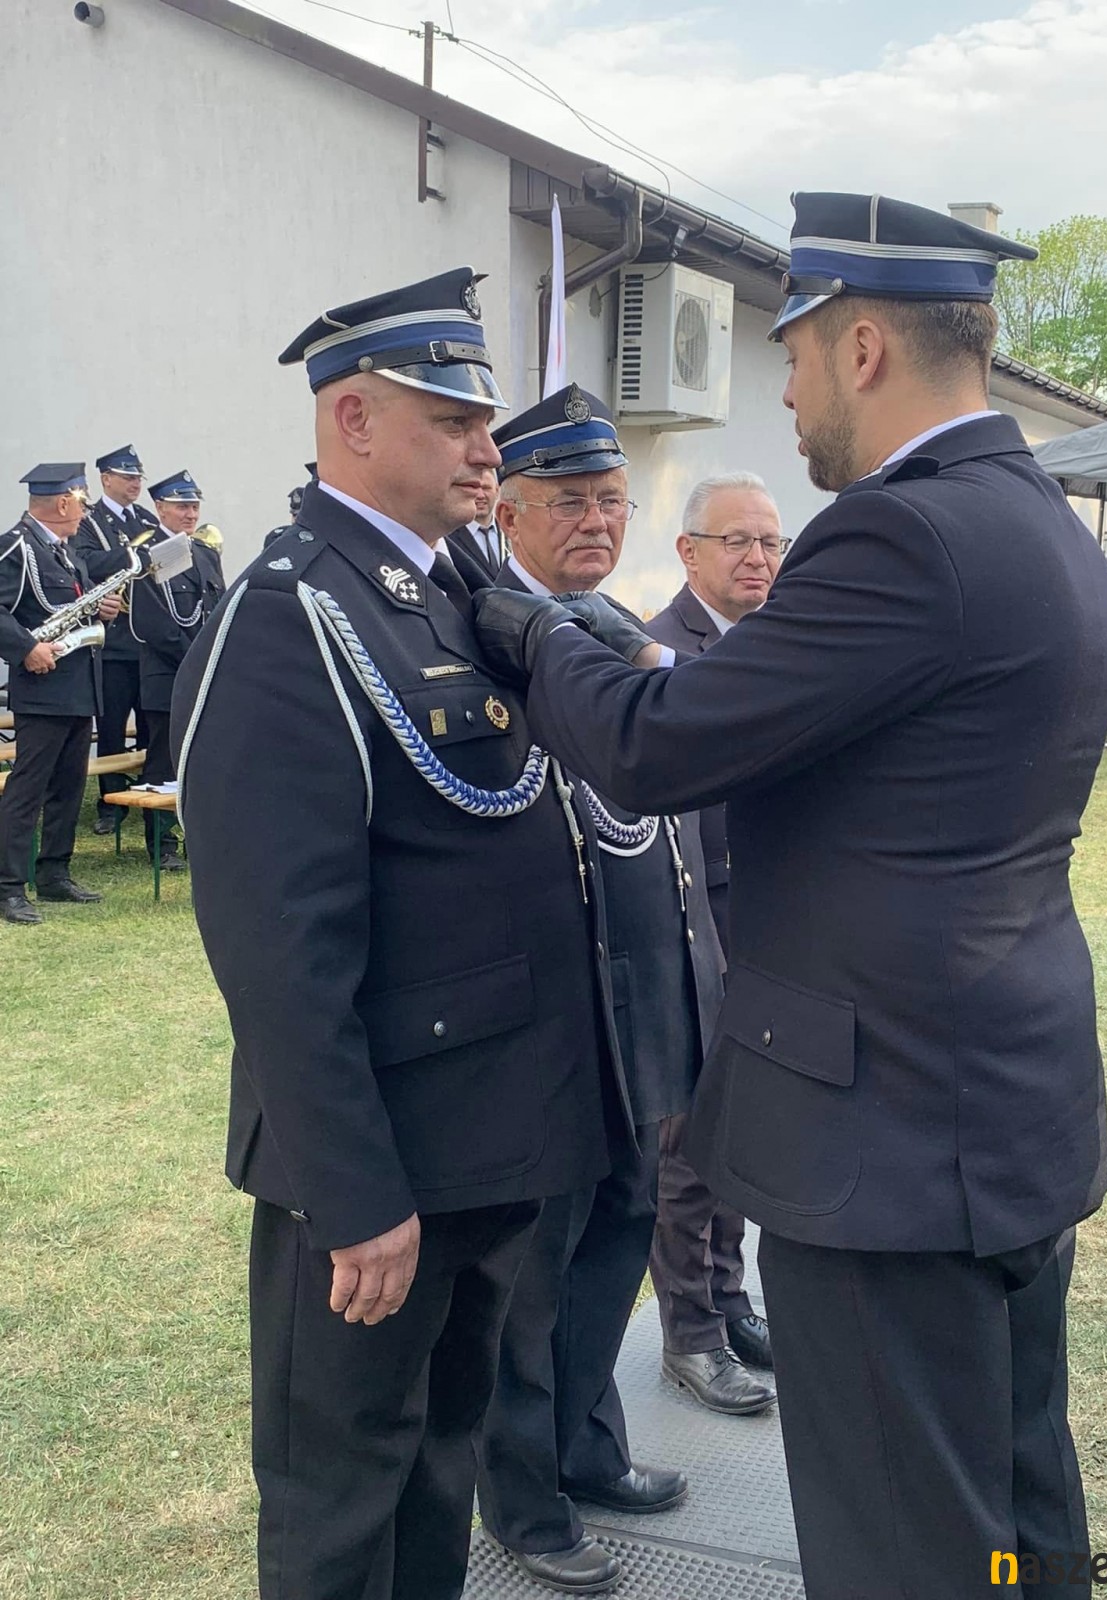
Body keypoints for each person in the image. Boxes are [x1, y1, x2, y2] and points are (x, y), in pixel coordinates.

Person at [470, 190, 1107, 1600]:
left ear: (864, 346)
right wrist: (648, 661)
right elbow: (816, 720)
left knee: (905, 1543)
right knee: (1014, 1512)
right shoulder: (1038, 521)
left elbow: (654, 751)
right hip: (1001, 1109)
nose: (785, 389)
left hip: (889, 1144)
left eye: (796, 352)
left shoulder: (899, 536)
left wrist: (534, 634)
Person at [170, 268, 631, 1600]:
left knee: (439, 1464)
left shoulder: (453, 588)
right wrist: (356, 1194)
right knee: (342, 1501)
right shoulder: (289, 612)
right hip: (382, 1167)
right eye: (453, 420)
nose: (489, 450)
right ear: (355, 420)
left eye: (484, 421)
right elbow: (278, 952)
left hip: (486, 1140)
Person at [475, 386, 729, 1596]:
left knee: (618, 1233)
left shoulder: (615, 627)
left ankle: (586, 1445)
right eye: (569, 500)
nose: (597, 520)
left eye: (612, 499)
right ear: (508, 512)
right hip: (552, 1015)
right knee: (537, 1267)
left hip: (643, 1002)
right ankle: (523, 1496)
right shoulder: (487, 637)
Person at [644, 471, 786, 1412]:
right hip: (703, 920)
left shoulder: (780, 641)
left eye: (770, 542)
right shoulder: (660, 649)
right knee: (694, 1145)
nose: (758, 559)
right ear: (689, 552)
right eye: (737, 542)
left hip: (774, 922)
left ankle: (730, 1300)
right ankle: (689, 1333)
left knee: (747, 1132)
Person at [0, 464, 118, 923]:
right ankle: (9, 887)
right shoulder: (17, 547)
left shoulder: (65, 554)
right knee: (27, 790)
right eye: (82, 502)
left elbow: (69, 606)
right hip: (43, 689)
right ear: (64, 501)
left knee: (68, 788)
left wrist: (101, 611)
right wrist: (25, 648)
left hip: (78, 686)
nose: (85, 512)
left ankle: (54, 873)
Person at [129, 471, 225, 870]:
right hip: (168, 676)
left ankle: (201, 835)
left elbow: (217, 609)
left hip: (204, 675)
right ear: (160, 508)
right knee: (163, 763)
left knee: (202, 758)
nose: (190, 514)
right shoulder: (149, 554)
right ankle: (162, 843)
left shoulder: (204, 551)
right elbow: (154, 624)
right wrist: (197, 658)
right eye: (182, 506)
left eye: (194, 506)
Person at [76, 444, 158, 834]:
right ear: (106, 479)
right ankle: (110, 803)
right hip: (113, 641)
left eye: (137, 477)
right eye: (127, 477)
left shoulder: (146, 519)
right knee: (110, 727)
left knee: (150, 726)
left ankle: (148, 794)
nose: (135, 484)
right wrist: (132, 557)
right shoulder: (90, 521)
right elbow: (85, 561)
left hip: (146, 639)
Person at [447, 464, 503, 577]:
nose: (480, 495)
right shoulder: (449, 537)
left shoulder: (512, 532)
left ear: (497, 491)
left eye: (486, 488)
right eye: (474, 488)